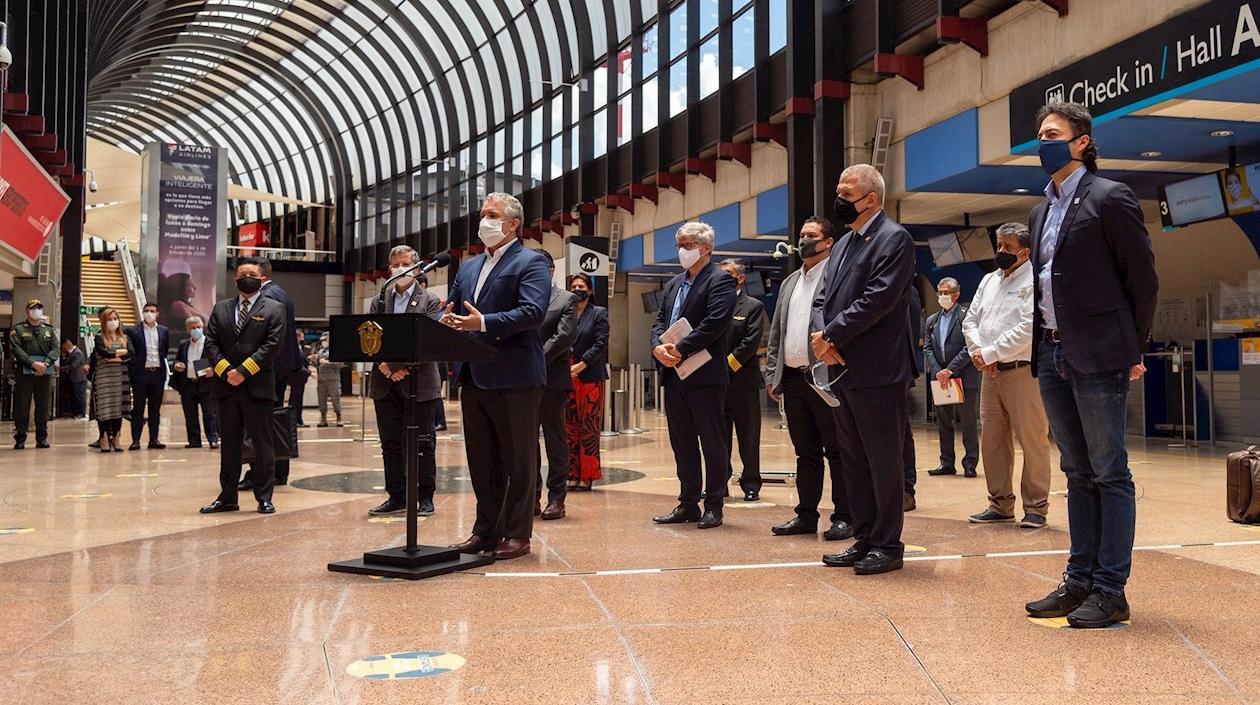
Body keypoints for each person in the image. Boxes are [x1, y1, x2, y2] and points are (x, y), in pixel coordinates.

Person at [1022, 102, 1158, 629]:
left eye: (1053, 133)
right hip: (1053, 352)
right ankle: (1078, 579)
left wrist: (1131, 348)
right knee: (1076, 472)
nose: (1043, 142)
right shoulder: (1039, 211)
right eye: (1040, 134)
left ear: (1082, 142)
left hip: (1100, 352)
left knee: (1109, 471)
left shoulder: (1109, 197)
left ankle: (1110, 589)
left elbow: (1142, 282)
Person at [813, 164, 915, 576]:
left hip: (878, 368)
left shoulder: (894, 239)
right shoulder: (843, 245)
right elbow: (823, 297)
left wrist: (832, 336)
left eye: (846, 192)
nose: (838, 198)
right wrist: (823, 336)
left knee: (882, 460)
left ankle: (888, 544)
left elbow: (879, 298)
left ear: (871, 199)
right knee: (853, 458)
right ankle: (865, 536)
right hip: (842, 368)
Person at [441, 192, 551, 560]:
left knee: (519, 460)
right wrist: (449, 321)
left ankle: (518, 534)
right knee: (482, 460)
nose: (483, 220)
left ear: (513, 224)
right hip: (474, 375)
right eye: (482, 214)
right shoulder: (469, 266)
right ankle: (485, 531)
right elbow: (455, 308)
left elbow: (533, 312)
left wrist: (482, 323)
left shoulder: (530, 262)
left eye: (492, 215)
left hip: (516, 375)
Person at [765, 216, 852, 541]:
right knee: (806, 453)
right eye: (801, 235)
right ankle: (805, 514)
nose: (803, 240)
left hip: (826, 378)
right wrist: (773, 374)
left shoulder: (838, 276)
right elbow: (777, 332)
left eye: (811, 235)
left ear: (828, 241)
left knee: (838, 452)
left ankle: (845, 515)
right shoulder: (790, 282)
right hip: (793, 379)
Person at [961, 222, 1051, 529]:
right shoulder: (988, 280)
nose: (1001, 251)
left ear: (1025, 252)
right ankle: (999, 504)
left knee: (1033, 442)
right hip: (991, 374)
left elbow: (1028, 328)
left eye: (1008, 247)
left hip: (1023, 372)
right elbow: (970, 319)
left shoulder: (1036, 281)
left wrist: (989, 354)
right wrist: (980, 354)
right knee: (993, 442)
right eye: (999, 245)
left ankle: (1036, 507)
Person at [650, 222, 737, 530]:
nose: (682, 251)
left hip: (705, 374)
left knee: (712, 441)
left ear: (706, 249)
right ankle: (688, 502)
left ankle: (714, 503)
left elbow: (715, 322)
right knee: (682, 441)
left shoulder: (720, 280)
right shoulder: (673, 284)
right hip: (674, 374)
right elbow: (660, 322)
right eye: (680, 246)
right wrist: (657, 348)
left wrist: (680, 347)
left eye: (688, 245)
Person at [200, 257, 287, 515]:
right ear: (235, 279)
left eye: (252, 273)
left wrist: (243, 371)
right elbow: (211, 342)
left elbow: (272, 346)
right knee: (229, 444)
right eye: (241, 273)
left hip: (257, 386)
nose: (246, 277)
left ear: (261, 278)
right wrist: (226, 370)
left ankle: (264, 497)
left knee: (262, 445)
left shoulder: (274, 308)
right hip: (226, 387)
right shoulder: (221, 308)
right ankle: (228, 496)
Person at [366, 245, 445, 517]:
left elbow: (427, 339)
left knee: (423, 441)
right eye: (396, 265)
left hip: (419, 383)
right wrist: (385, 367)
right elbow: (369, 338)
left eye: (406, 265)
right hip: (384, 382)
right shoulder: (379, 301)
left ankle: (425, 496)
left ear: (417, 267)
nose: (401, 270)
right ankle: (397, 496)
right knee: (390, 443)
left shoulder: (430, 301)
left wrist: (396, 366)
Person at [240, 259, 301, 488]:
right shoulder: (280, 293)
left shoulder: (269, 297)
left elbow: (262, 337)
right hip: (280, 365)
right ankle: (277, 470)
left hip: (268, 367)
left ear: (261, 275)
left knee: (261, 420)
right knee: (274, 419)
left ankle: (263, 472)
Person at [529, 250, 578, 520]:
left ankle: (557, 497)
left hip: (551, 379)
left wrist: (532, 360)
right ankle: (531, 496)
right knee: (526, 441)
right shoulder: (522, 295)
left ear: (550, 270)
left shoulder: (566, 298)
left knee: (554, 439)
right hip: (523, 380)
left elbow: (562, 338)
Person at [719, 258, 767, 502]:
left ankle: (751, 484)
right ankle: (720, 482)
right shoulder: (713, 305)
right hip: (716, 384)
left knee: (748, 436)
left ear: (740, 278)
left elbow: (750, 343)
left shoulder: (752, 306)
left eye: (727, 274)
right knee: (719, 436)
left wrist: (725, 366)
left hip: (743, 381)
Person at [924, 277, 980, 478]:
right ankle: (946, 462)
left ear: (956, 295)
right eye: (940, 292)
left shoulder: (966, 317)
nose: (942, 296)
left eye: (946, 292)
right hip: (941, 380)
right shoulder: (932, 320)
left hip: (963, 377)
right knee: (944, 422)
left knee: (968, 422)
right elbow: (927, 348)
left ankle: (970, 463)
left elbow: (969, 346)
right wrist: (939, 370)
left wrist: (950, 369)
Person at [565, 273, 609, 491]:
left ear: (589, 291)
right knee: (570, 427)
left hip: (590, 376)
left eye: (581, 286)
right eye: (573, 286)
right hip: (566, 377)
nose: (577, 289)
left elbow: (601, 343)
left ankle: (588, 476)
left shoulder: (599, 313)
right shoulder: (566, 313)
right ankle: (572, 473)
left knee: (589, 428)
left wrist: (581, 365)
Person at [11, 300, 58, 449]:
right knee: (22, 407)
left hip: (44, 373)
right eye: (33, 309)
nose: (36, 311)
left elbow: (55, 348)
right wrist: (32, 363)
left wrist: (46, 364)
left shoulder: (48, 330)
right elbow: (16, 349)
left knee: (43, 407)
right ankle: (20, 438)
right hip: (25, 373)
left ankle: (41, 438)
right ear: (27, 311)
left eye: (39, 308)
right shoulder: (18, 329)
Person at [124, 302, 169, 450]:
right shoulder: (133, 331)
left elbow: (165, 351)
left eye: (152, 311)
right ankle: (136, 440)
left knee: (155, 409)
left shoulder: (163, 331)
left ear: (157, 313)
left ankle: (153, 439)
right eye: (146, 311)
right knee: (138, 408)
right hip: (140, 374)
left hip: (157, 373)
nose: (148, 313)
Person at [172, 315, 220, 449]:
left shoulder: (210, 343)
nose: (196, 330)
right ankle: (194, 441)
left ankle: (213, 439)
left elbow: (218, 360)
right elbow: (177, 359)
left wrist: (213, 370)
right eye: (193, 328)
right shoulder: (183, 344)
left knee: (209, 414)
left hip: (206, 384)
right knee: (190, 414)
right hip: (188, 384)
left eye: (198, 327)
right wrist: (177, 365)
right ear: (188, 330)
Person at [92, 307, 132, 453]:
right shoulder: (99, 337)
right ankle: (104, 438)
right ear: (103, 321)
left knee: (117, 408)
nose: (113, 322)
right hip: (103, 379)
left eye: (115, 319)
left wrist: (113, 357)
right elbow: (104, 353)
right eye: (109, 319)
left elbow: (130, 354)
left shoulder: (125, 338)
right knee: (105, 409)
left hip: (120, 377)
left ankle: (116, 437)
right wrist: (121, 353)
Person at [904, 284, 924, 511]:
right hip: (869, 374)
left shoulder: (908, 291)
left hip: (897, 373)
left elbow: (909, 335)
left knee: (902, 435)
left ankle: (907, 491)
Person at [312, 332, 344, 427]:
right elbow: (316, 364)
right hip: (321, 379)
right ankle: (323, 419)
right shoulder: (321, 351)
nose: (323, 342)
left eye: (325, 340)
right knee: (321, 399)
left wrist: (327, 362)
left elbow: (340, 364)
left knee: (335, 399)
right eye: (322, 340)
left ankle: (339, 418)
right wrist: (315, 360)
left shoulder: (336, 350)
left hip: (333, 379)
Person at [60, 339, 88, 419]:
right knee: (75, 395)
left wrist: (61, 368)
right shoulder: (71, 353)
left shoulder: (77, 353)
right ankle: (76, 412)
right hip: (74, 378)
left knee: (79, 395)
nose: (63, 348)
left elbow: (73, 365)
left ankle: (81, 413)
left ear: (66, 344)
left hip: (78, 378)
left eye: (63, 346)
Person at [289, 330, 311, 427]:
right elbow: (296, 364)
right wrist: (309, 372)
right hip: (296, 377)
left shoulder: (301, 348)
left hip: (301, 378)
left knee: (299, 400)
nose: (303, 339)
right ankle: (294, 421)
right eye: (301, 337)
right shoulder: (293, 349)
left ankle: (299, 420)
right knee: (295, 400)